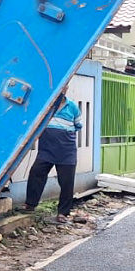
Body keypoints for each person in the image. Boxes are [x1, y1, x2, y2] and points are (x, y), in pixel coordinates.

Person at [24, 90, 83, 223]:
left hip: (67, 152)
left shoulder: (72, 107)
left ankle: (63, 213)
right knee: (36, 172)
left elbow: (78, 125)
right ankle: (30, 204)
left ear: (66, 89)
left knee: (67, 183)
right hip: (46, 150)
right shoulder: (47, 104)